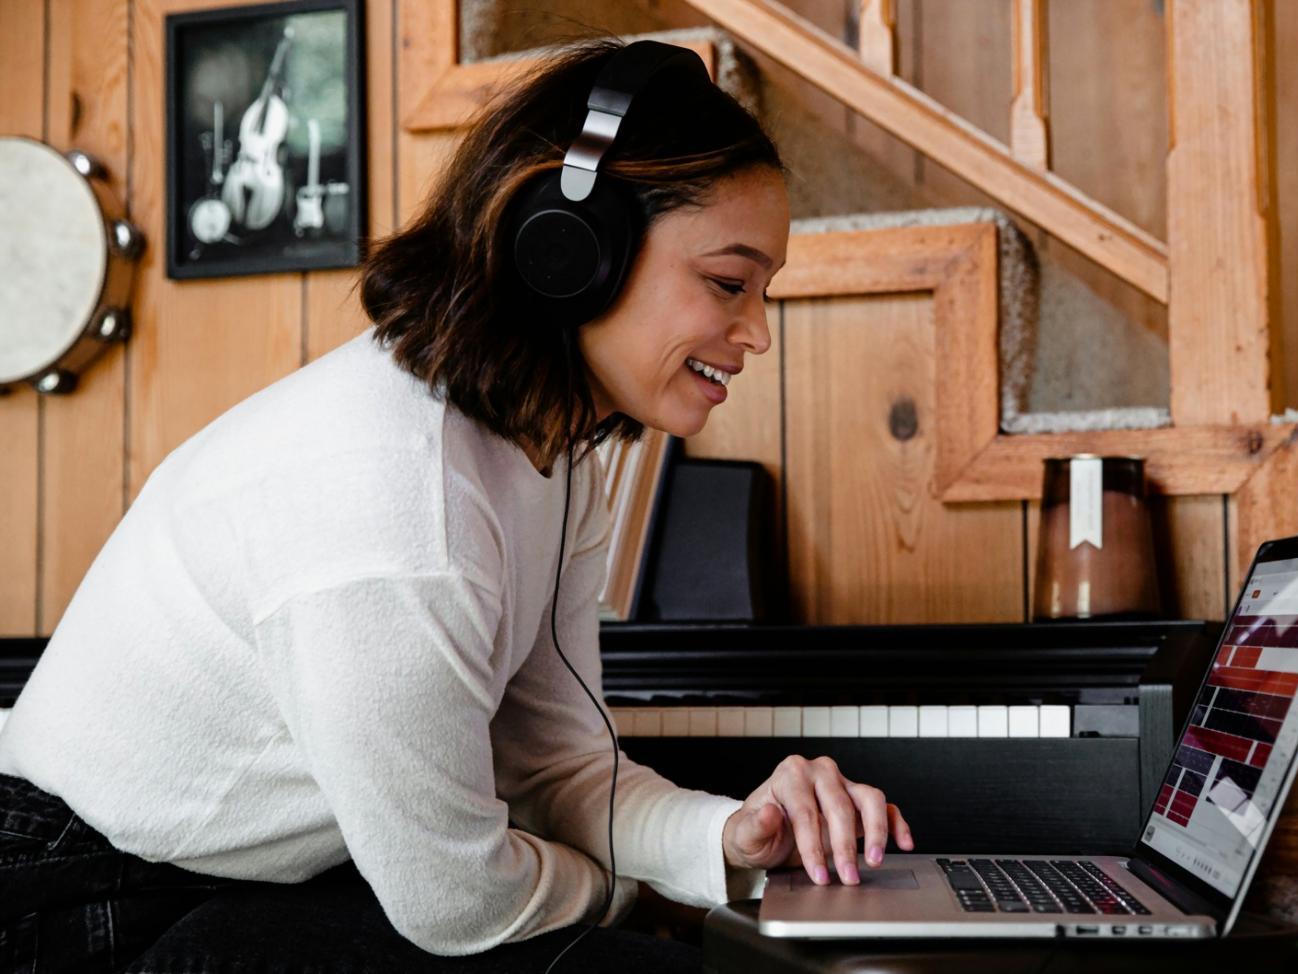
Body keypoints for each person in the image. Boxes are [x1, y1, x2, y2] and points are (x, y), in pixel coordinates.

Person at [0, 39, 913, 973]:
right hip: (77, 900)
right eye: (728, 283)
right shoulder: (399, 502)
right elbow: (457, 902)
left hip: (239, 878)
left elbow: (556, 770)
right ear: (572, 249)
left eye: (764, 292)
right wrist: (630, 895)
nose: (756, 332)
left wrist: (728, 841)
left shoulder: (553, 456)